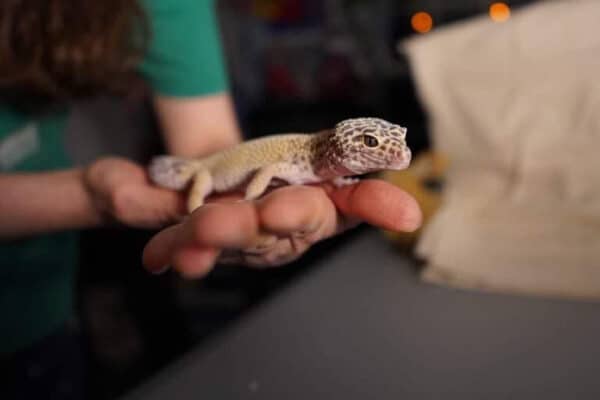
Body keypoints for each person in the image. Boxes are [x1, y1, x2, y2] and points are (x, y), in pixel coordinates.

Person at [0, 0, 421, 397]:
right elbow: (268, 174)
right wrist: (242, 205)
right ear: (341, 146)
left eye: (393, 141)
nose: (393, 152)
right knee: (199, 183)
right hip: (201, 175)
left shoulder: (320, 158)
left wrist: (328, 191)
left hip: (46, 314)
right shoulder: (300, 159)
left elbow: (209, 140)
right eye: (372, 142)